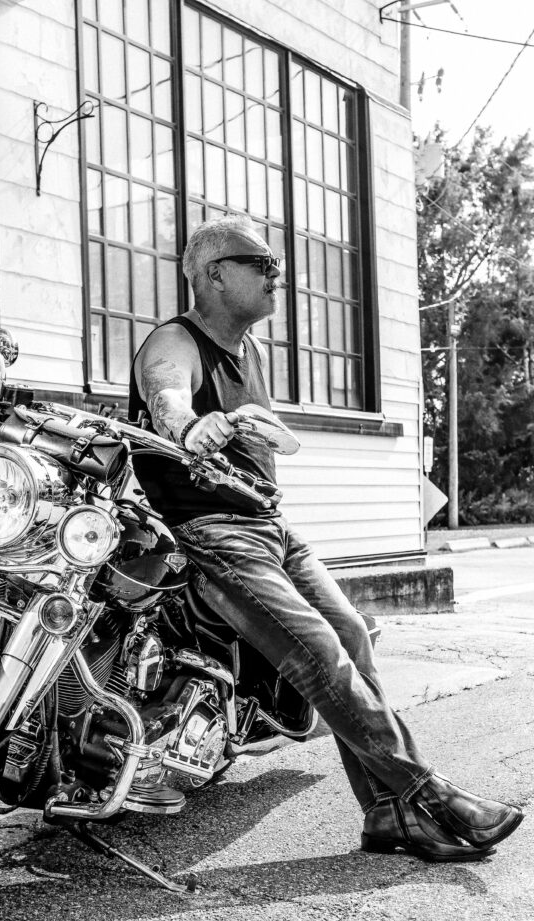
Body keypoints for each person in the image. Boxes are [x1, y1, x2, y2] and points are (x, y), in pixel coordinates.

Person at [128, 214, 522, 862]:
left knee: (353, 636)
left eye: (276, 263)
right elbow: (166, 395)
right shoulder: (176, 340)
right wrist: (189, 426)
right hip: (217, 533)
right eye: (261, 262)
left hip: (271, 527)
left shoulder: (249, 351)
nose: (276, 273)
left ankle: (386, 813)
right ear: (216, 274)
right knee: (319, 654)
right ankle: (426, 794)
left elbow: (263, 438)